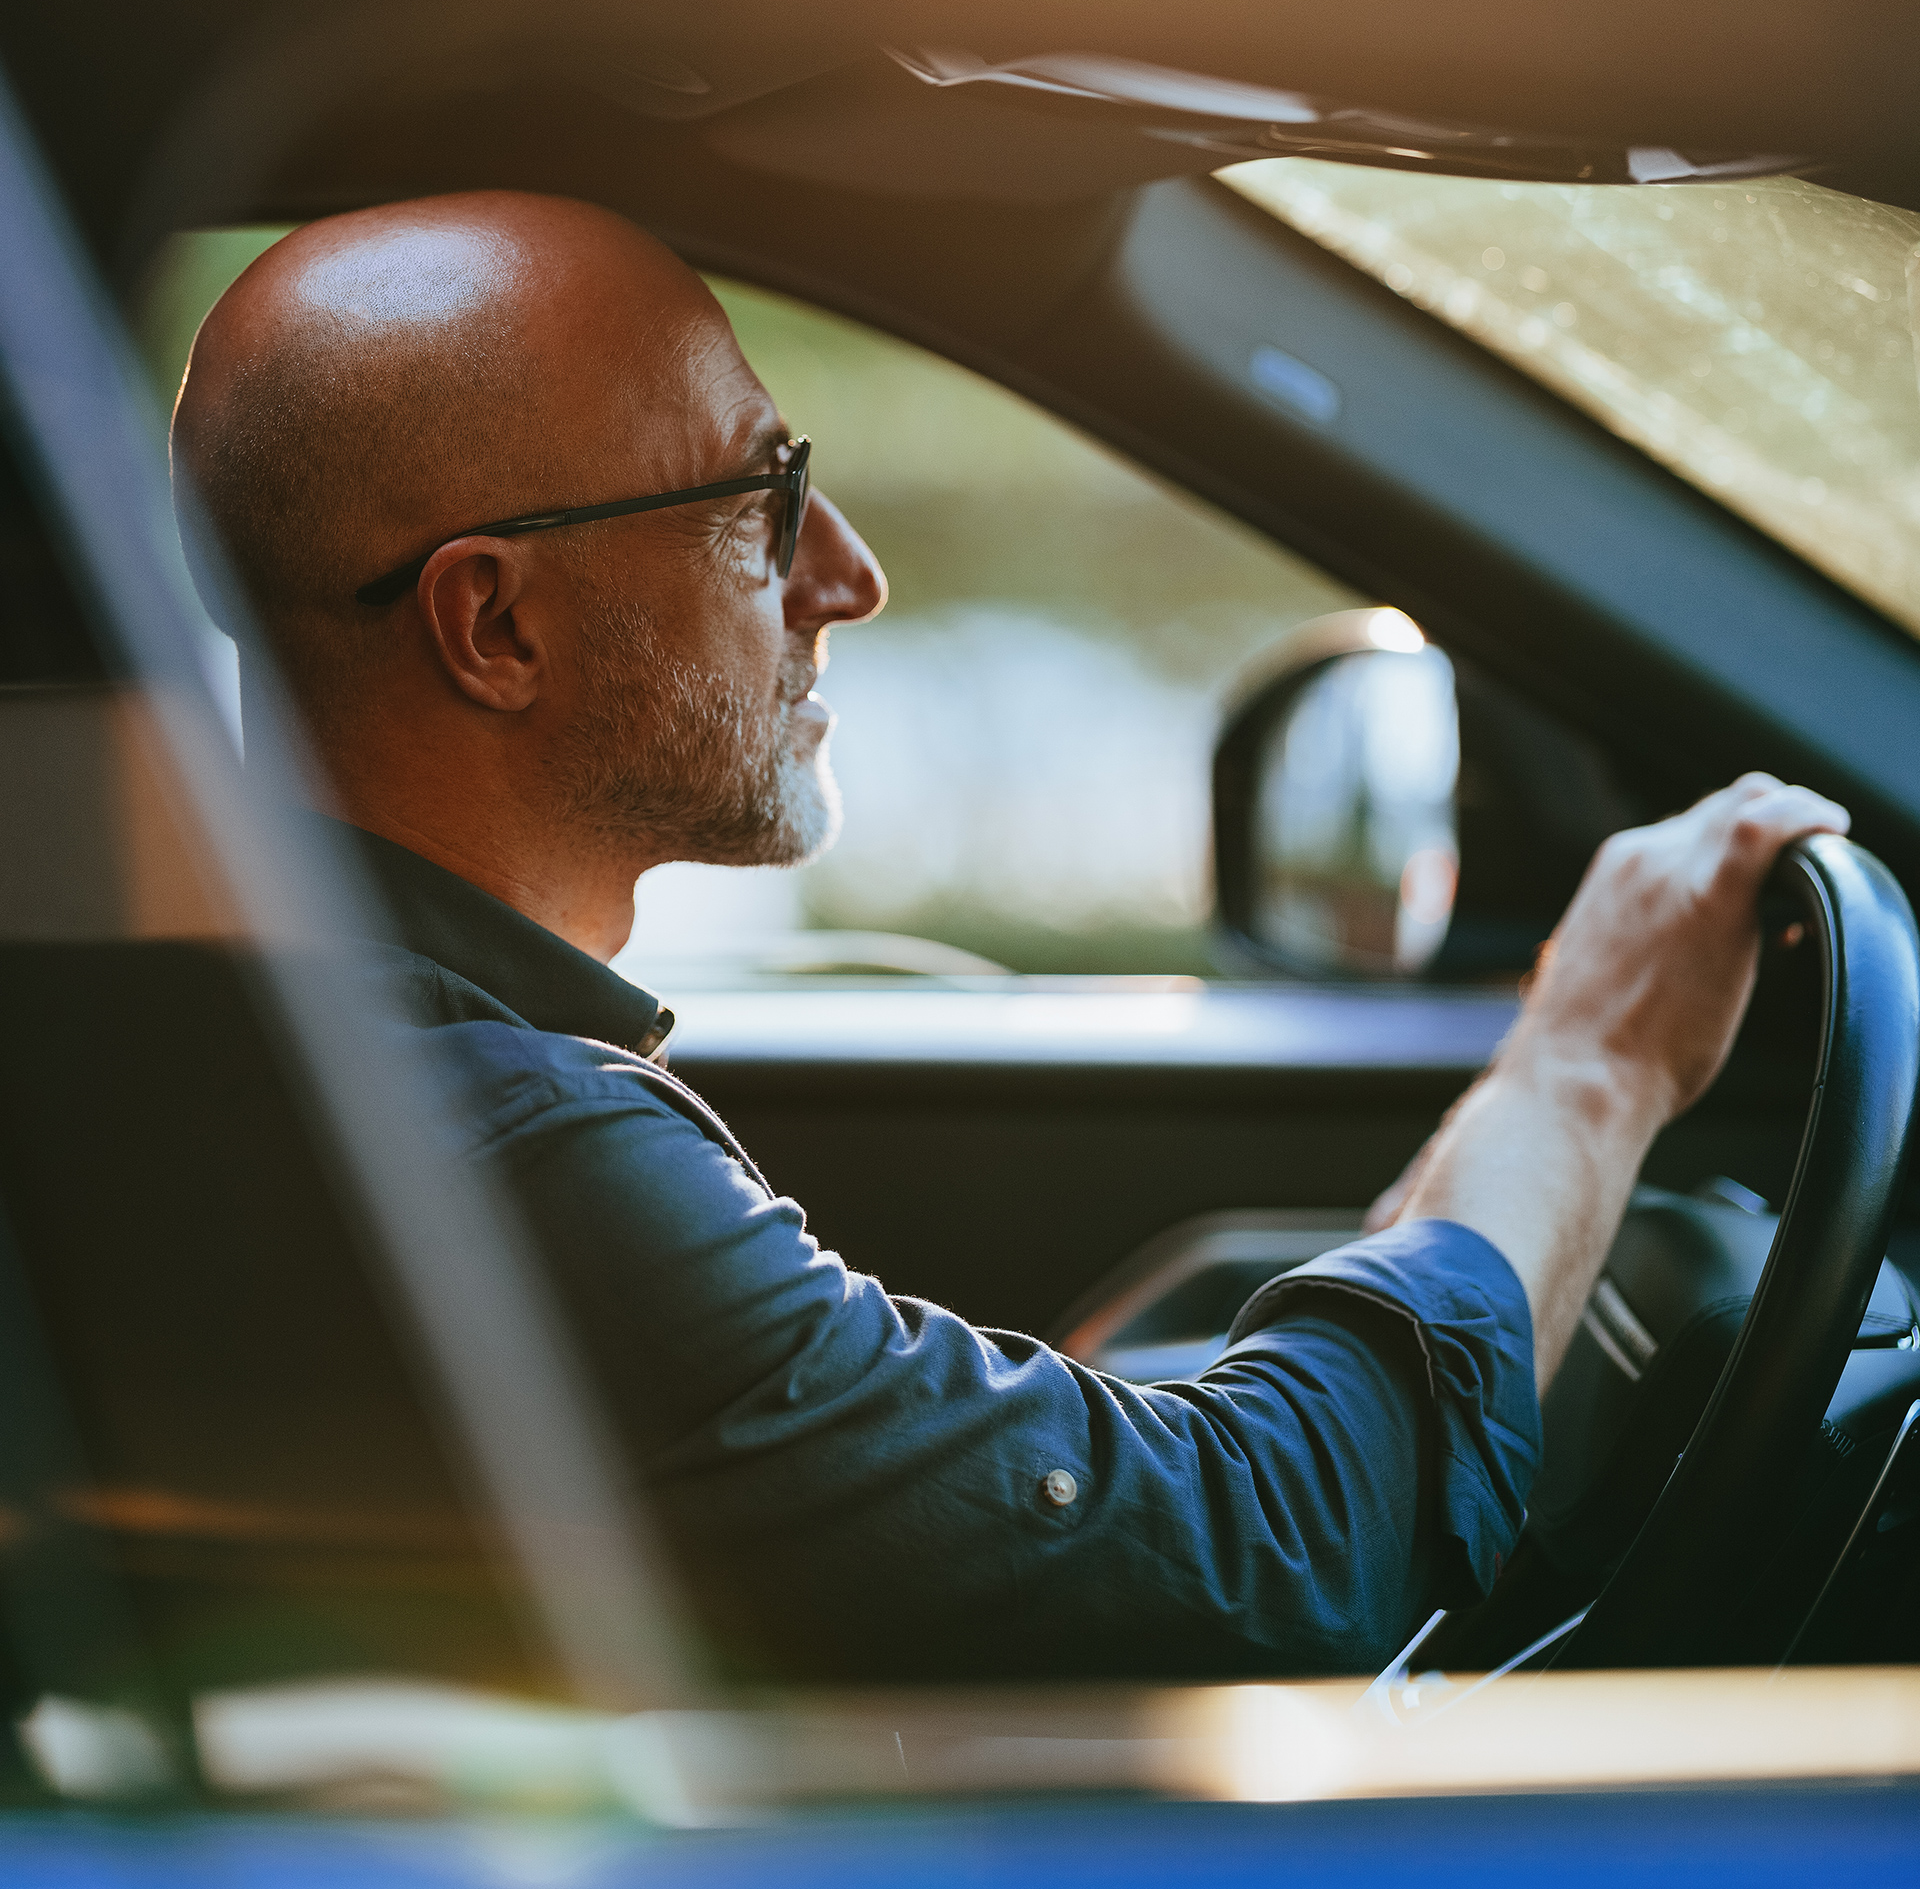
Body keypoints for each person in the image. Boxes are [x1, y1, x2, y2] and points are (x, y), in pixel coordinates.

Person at [168, 191, 1848, 1682]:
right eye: (762, 498)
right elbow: (1269, 1560)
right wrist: (1593, 1068)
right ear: (495, 623)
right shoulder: (507, 1144)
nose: (849, 575)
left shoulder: (276, 1056)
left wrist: (1489, 1170)